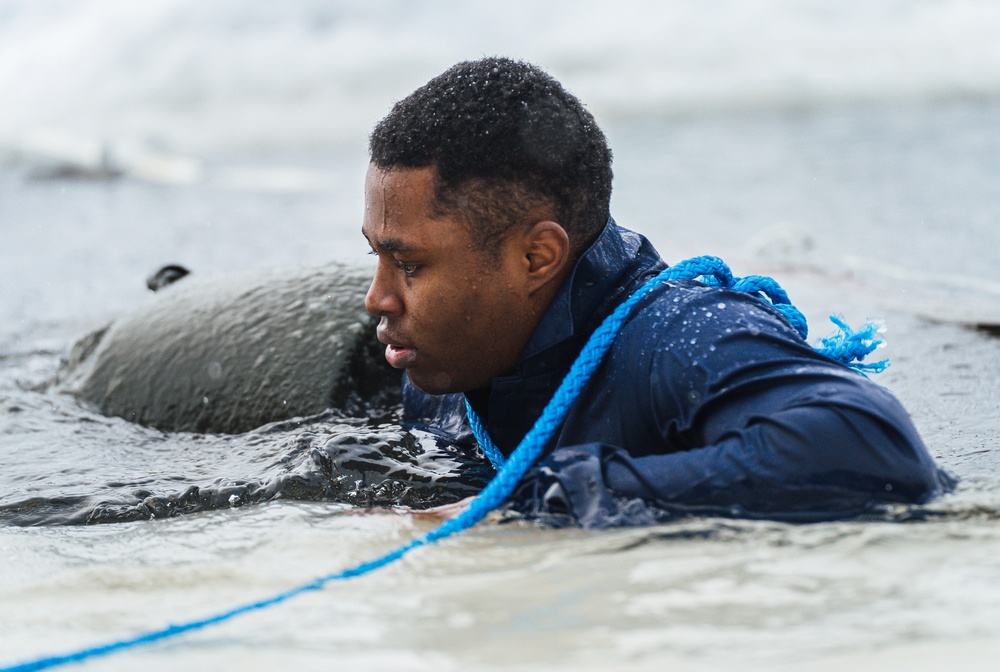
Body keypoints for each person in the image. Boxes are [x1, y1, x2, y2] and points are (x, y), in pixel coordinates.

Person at [361, 57, 954, 528]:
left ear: (535, 257)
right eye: (377, 256)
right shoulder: (445, 374)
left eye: (408, 265)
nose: (378, 299)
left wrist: (545, 501)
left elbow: (872, 446)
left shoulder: (675, 335)